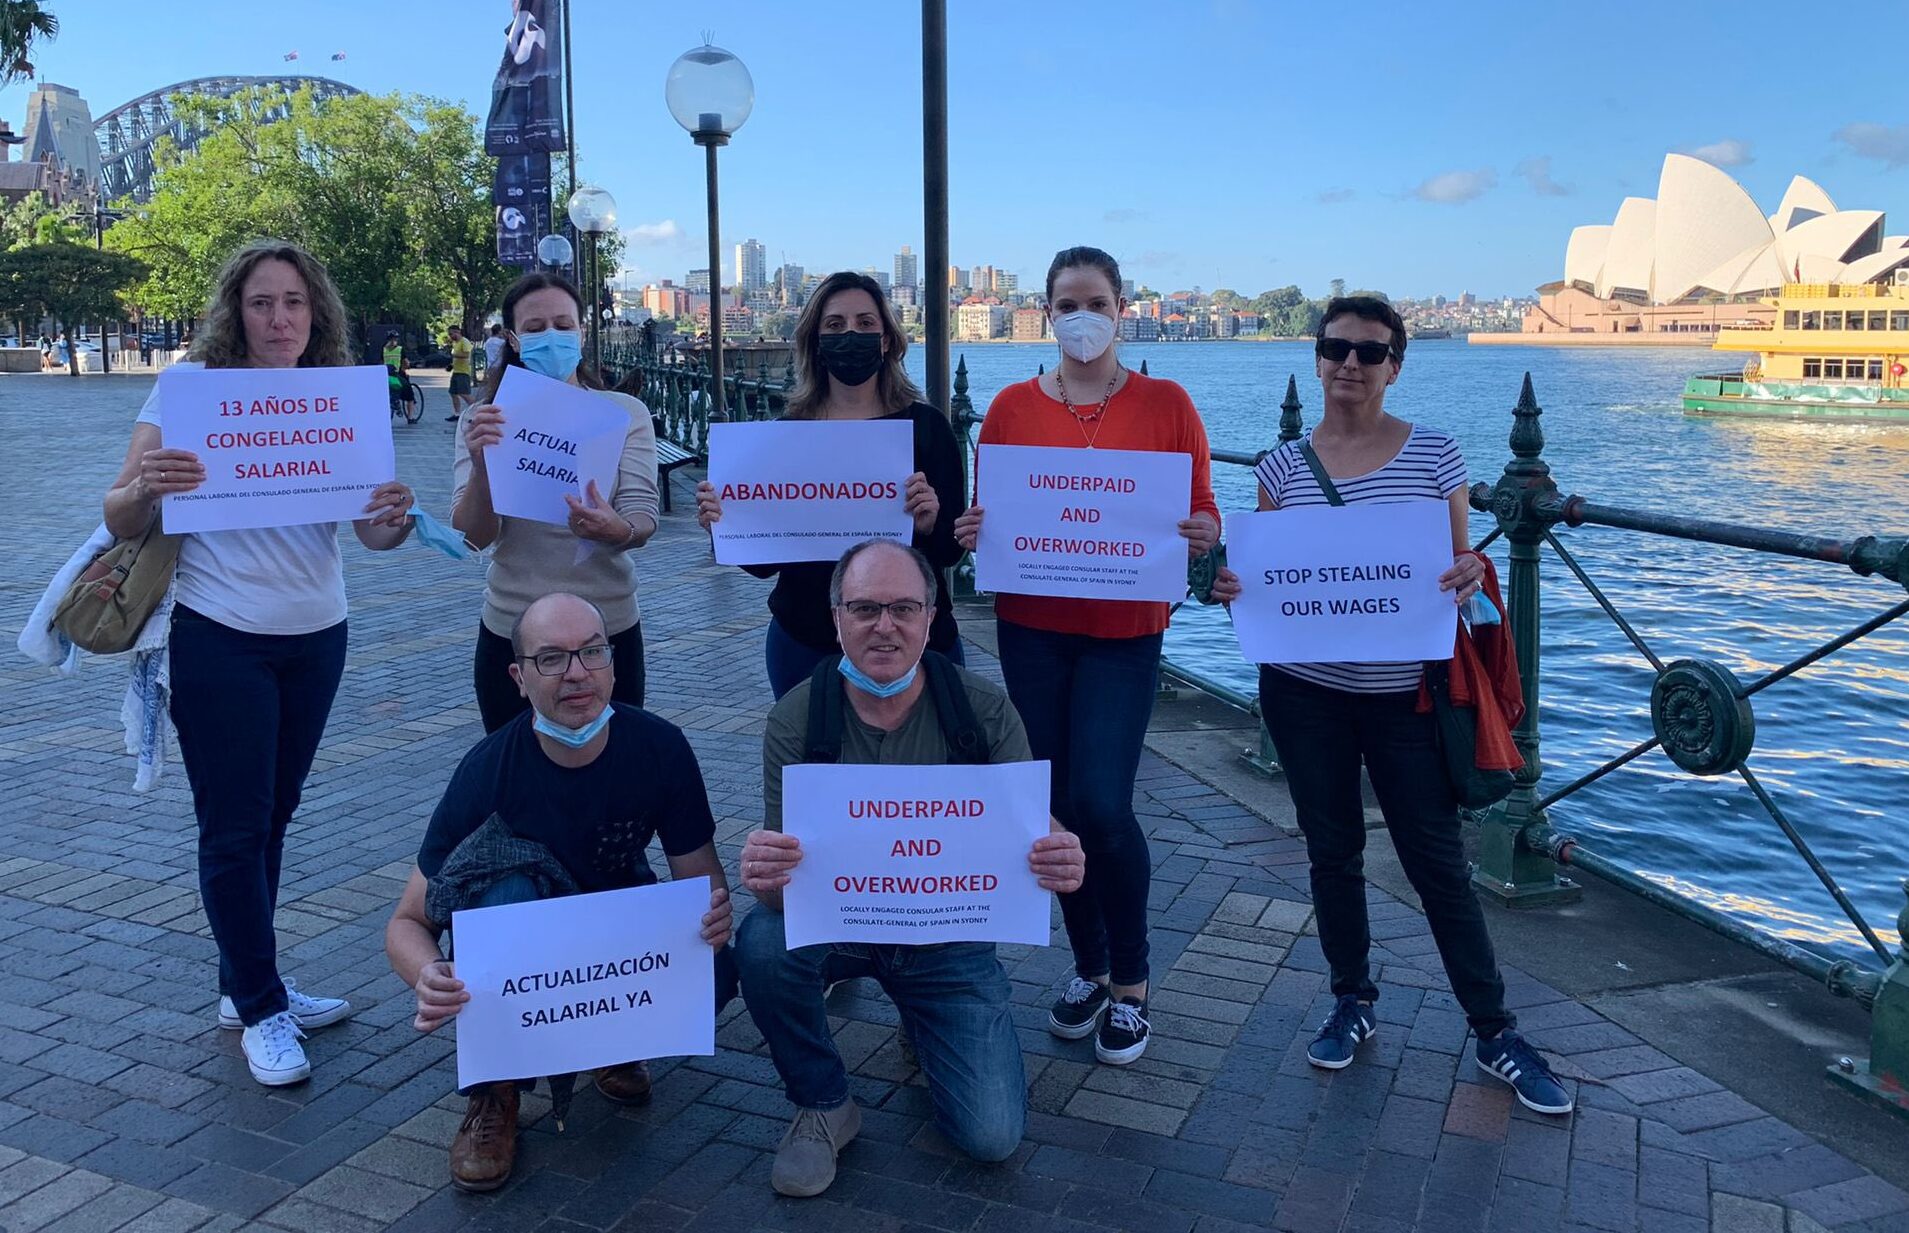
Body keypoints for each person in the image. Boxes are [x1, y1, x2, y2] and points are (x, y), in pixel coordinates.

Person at [1209, 295, 1573, 1115]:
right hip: (1306, 696)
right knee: (1330, 851)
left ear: (1394, 365)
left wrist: (1472, 577)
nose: (1349, 363)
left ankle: (1493, 1029)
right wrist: (1234, 586)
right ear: (1315, 357)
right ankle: (1352, 998)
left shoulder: (1433, 455)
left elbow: (1455, 571)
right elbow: (1268, 585)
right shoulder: (1279, 469)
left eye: (1369, 352)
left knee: (1436, 863)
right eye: (1335, 347)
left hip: (1407, 696)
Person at [100, 238, 415, 1088]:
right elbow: (120, 512)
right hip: (220, 633)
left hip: (317, 634)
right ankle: (263, 1009)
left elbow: (372, 535)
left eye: (295, 303)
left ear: (317, 315)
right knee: (234, 828)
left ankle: (246, 984)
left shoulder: (341, 399)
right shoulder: (190, 392)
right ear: (233, 313)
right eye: (261, 302)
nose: (279, 319)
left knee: (271, 818)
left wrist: (396, 511)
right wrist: (148, 488)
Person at [735, 540, 1085, 1198]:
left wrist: (1059, 850)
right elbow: (786, 894)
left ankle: (921, 1020)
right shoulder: (797, 717)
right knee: (759, 941)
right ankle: (823, 1101)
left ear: (930, 615)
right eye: (865, 607)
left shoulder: (980, 712)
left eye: (903, 607)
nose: (884, 625)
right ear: (835, 615)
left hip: (945, 938)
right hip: (843, 926)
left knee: (990, 1137)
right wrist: (766, 875)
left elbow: (1033, 830)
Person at [953, 246, 1218, 1068]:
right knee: (1054, 805)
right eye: (1067, 302)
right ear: (1045, 309)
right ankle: (1088, 966)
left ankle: (1133, 981)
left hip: (1125, 630)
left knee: (1103, 801)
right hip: (1032, 627)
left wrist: (1202, 533)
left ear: (1122, 307)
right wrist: (971, 532)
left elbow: (1202, 510)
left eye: (1096, 301)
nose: (1082, 316)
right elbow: (989, 513)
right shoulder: (1006, 409)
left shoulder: (1167, 403)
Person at [385, 592, 737, 1192]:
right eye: (551, 659)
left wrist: (712, 917)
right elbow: (405, 922)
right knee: (505, 898)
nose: (576, 673)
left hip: (610, 933)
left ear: (613, 663)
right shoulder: (487, 771)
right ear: (519, 679)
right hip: (526, 926)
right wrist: (428, 975)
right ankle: (496, 1092)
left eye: (592, 652)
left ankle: (609, 1041)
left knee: (720, 971)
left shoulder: (660, 747)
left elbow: (702, 881)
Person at [694, 271, 965, 699]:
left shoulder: (927, 427)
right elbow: (765, 565)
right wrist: (724, 526)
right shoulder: (787, 434)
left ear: (888, 339)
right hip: (806, 641)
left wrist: (930, 525)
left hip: (912, 644)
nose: (850, 335)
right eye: (835, 326)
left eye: (865, 323)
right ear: (816, 343)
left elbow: (950, 553)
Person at [454, 272, 660, 733]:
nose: (552, 337)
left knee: (612, 774)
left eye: (564, 325)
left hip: (607, 628)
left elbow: (642, 517)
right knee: (515, 777)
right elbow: (472, 536)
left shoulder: (623, 413)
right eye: (535, 327)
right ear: (512, 338)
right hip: (514, 628)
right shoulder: (482, 419)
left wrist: (616, 529)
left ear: (582, 332)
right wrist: (482, 465)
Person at [446, 324, 475, 422]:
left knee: (464, 393)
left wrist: (454, 354)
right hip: (456, 371)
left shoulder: (464, 341)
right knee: (453, 393)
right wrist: (452, 365)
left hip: (463, 372)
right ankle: (457, 413)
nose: (450, 336)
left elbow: (466, 354)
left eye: (451, 334)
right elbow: (457, 358)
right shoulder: (456, 343)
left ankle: (476, 411)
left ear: (457, 332)